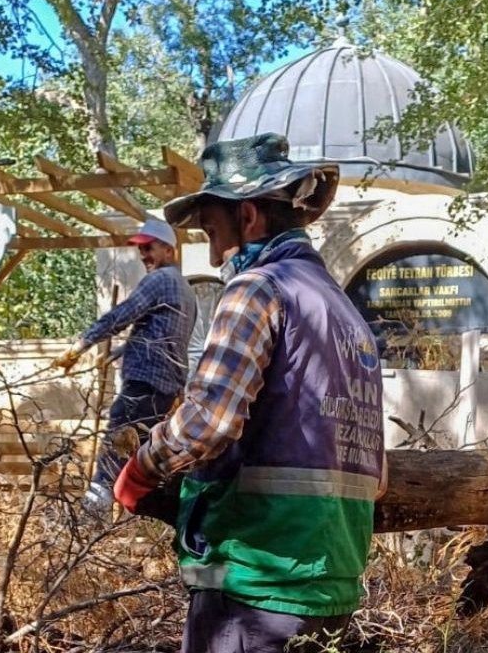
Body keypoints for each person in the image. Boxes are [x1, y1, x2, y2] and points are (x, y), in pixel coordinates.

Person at [110, 133, 388, 652]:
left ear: (250, 217)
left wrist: (139, 471)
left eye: (214, 231)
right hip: (331, 583)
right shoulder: (346, 315)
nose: (215, 254)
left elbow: (206, 424)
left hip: (255, 580)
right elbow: (378, 475)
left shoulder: (259, 288)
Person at [52, 216, 196, 513]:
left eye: (150, 248)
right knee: (144, 459)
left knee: (113, 450)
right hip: (164, 390)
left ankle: (90, 518)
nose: (144, 256)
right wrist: (120, 351)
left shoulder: (159, 279)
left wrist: (80, 345)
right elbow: (161, 336)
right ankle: (147, 517)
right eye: (141, 250)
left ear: (169, 250)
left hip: (143, 385)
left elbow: (122, 315)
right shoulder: (185, 289)